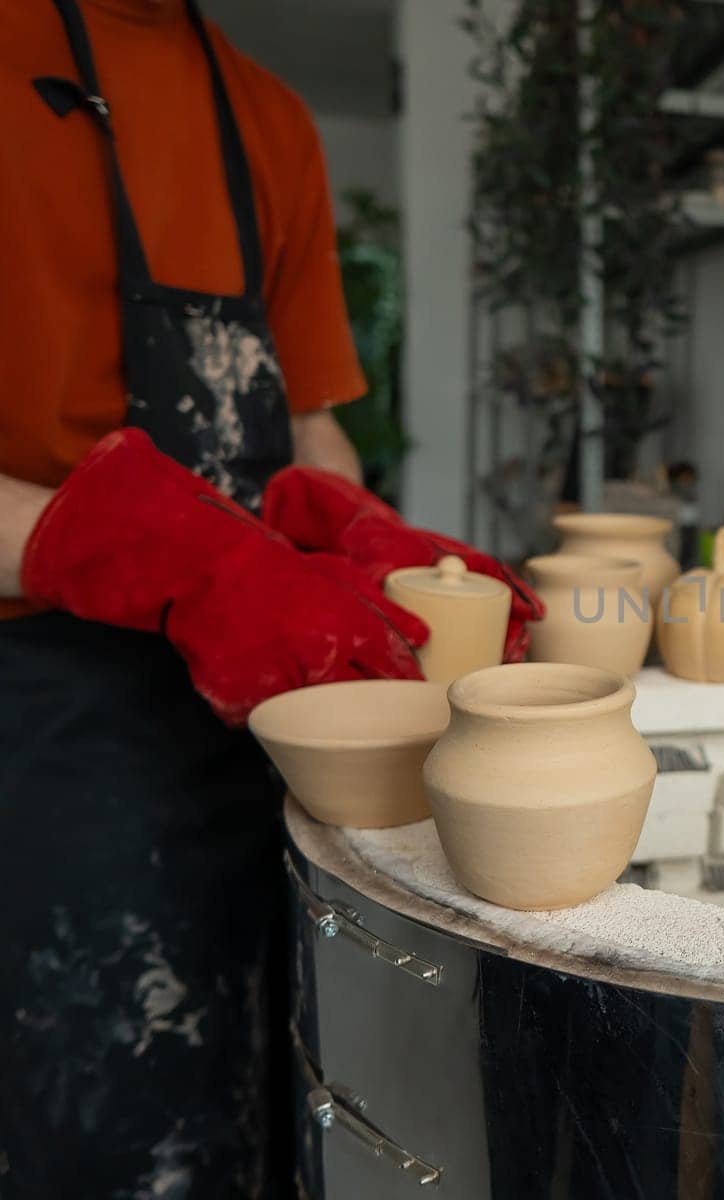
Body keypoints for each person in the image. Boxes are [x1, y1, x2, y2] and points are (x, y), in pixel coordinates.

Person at [0, 2, 538, 1194]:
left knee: (290, 1096)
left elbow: (310, 428)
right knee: (105, 1136)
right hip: (41, 717)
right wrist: (166, 553)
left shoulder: (269, 118)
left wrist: (367, 541)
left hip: (263, 704)